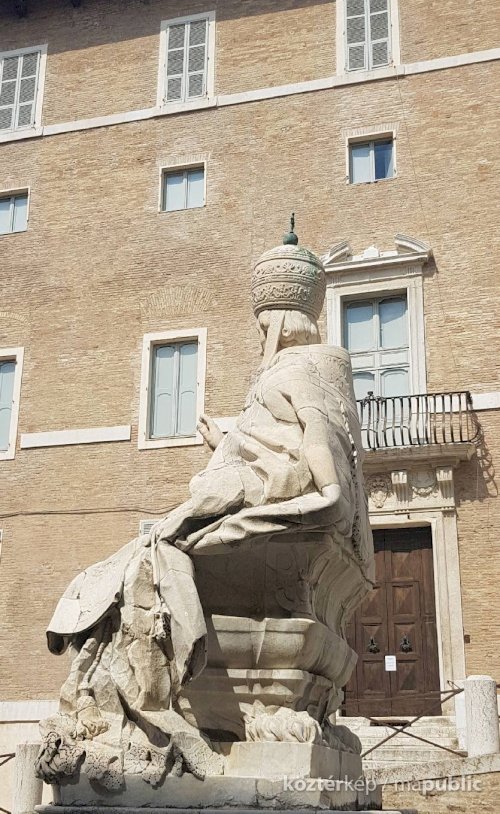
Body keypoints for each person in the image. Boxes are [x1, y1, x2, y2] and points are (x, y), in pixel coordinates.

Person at [37, 229, 373, 791]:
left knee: (147, 557)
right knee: (146, 555)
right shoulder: (320, 370)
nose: (262, 335)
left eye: (263, 325)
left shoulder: (294, 370)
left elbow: (315, 432)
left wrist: (329, 490)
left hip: (269, 493)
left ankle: (143, 696)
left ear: (274, 323)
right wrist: (227, 444)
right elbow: (294, 434)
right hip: (259, 487)